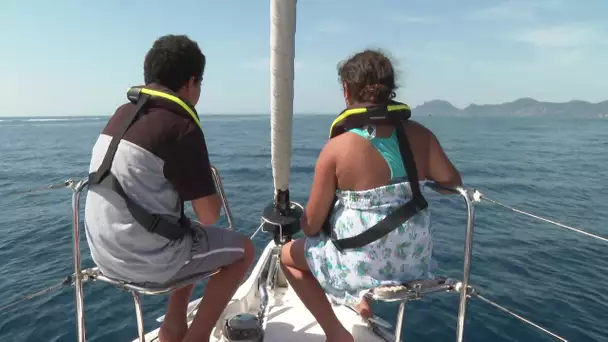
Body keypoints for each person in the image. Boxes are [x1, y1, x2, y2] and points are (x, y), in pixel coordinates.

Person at [279, 49, 462, 342]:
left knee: (287, 257)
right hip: (416, 261)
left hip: (361, 264)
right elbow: (451, 183)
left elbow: (311, 226)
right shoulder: (423, 135)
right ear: (391, 90)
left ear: (347, 90)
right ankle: (360, 300)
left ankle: (336, 334)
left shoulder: (337, 149)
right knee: (363, 243)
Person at [84, 34, 254, 342]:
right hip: (146, 262)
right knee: (243, 251)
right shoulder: (181, 126)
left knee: (186, 232)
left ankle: (173, 328)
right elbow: (210, 214)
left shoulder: (121, 114)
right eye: (200, 84)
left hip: (101, 254)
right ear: (191, 82)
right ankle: (196, 337)